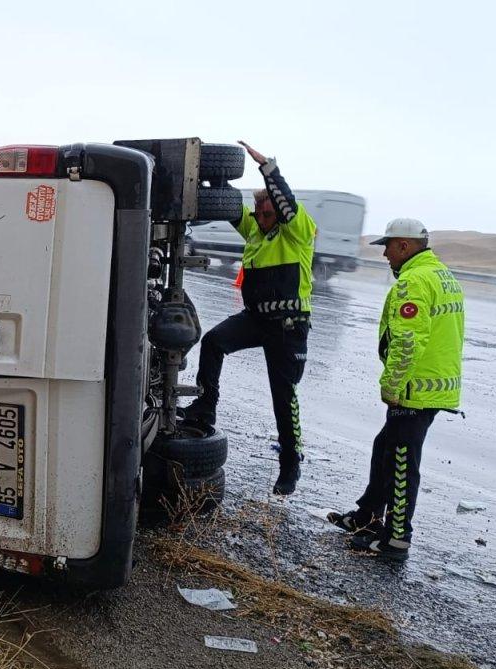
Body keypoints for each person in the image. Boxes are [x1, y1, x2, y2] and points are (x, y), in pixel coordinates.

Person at [181, 141, 316, 495]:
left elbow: (285, 202)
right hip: (256, 318)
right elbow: (228, 205)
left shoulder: (298, 231)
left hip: (288, 326)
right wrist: (215, 175)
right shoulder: (256, 230)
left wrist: (267, 167)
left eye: (265, 208)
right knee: (213, 342)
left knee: (282, 396)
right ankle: (205, 408)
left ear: (280, 210)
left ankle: (291, 464)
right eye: (256, 209)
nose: (258, 214)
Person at [327, 218, 465, 560]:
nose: (385, 254)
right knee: (385, 446)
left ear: (405, 246)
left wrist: (391, 385)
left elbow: (406, 340)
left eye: (388, 246)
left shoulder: (414, 282)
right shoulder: (441, 275)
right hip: (433, 384)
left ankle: (396, 539)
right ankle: (368, 517)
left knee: (402, 459)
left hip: (414, 387)